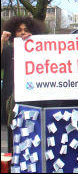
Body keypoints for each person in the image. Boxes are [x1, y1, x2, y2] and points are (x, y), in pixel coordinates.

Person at [1, 16, 45, 153]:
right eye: (19, 30)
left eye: (26, 30)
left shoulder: (39, 51)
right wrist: (2, 41)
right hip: (12, 101)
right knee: (13, 138)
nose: (22, 33)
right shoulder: (8, 51)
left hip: (32, 101)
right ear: (14, 32)